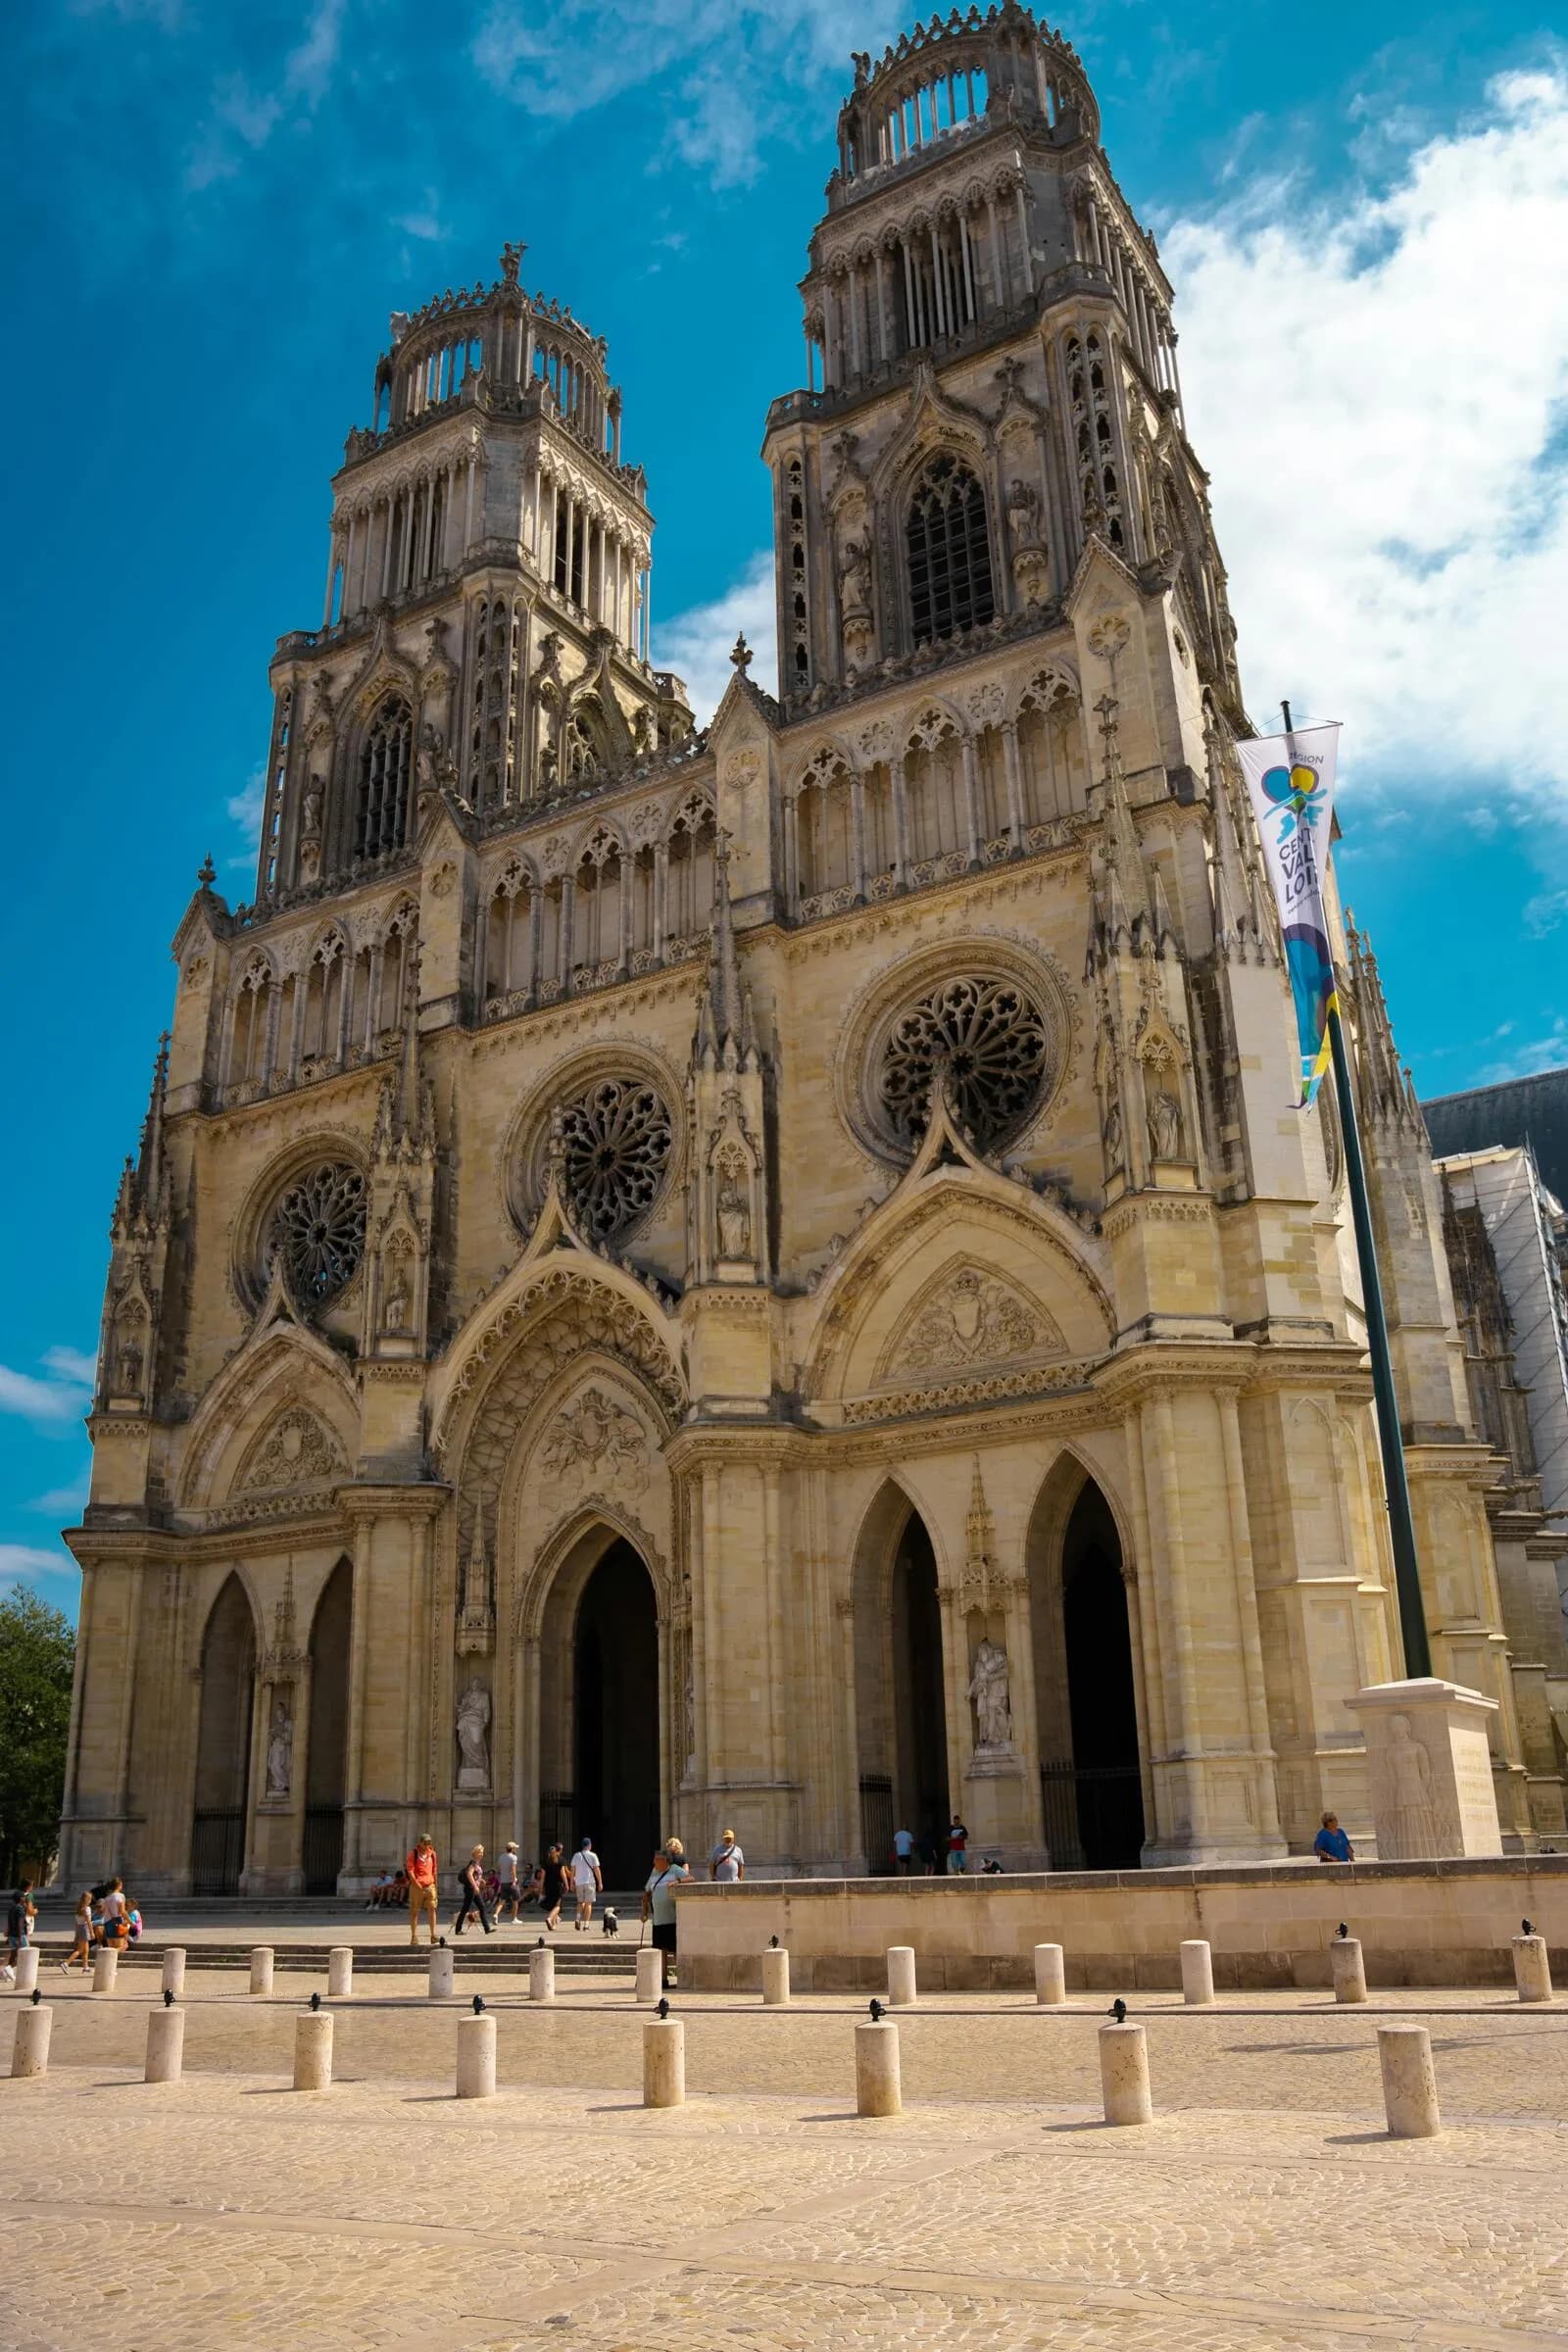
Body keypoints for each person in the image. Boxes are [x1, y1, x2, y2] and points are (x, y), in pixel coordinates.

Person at [642, 1843, 691, 1988]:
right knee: (660, 1950)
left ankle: (681, 1979)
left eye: (656, 1859)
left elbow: (691, 1878)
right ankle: (663, 1980)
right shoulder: (654, 1872)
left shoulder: (675, 1869)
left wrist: (677, 1881)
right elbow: (646, 1893)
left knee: (675, 1950)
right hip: (658, 1920)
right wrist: (643, 1912)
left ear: (665, 1861)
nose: (654, 1862)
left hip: (672, 1918)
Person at [453, 1844, 494, 1936]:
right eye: (479, 1852)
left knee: (482, 1907)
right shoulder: (473, 1862)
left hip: (473, 1889)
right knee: (465, 1909)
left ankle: (487, 1928)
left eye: (482, 1852)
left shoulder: (477, 1863)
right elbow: (469, 1874)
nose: (481, 1854)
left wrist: (481, 1880)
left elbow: (476, 1876)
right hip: (470, 1889)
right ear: (475, 1853)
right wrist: (475, 1886)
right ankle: (458, 1930)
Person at [406, 1835, 440, 1945]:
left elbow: (434, 1870)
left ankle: (433, 1935)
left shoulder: (432, 1854)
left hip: (430, 1885)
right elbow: (410, 1869)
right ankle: (414, 1936)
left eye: (429, 1843)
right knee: (415, 1911)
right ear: (420, 1843)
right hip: (417, 1886)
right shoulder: (414, 1853)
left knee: (432, 1909)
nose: (427, 1846)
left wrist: (435, 1885)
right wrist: (416, 1883)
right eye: (425, 1843)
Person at [534, 1843, 569, 1932]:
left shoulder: (545, 1862)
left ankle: (553, 1925)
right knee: (557, 1906)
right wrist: (566, 1884)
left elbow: (542, 1876)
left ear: (549, 1853)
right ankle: (549, 1919)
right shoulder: (560, 1860)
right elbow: (563, 1874)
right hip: (557, 1885)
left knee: (553, 1905)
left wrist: (542, 1887)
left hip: (548, 1885)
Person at [571, 1836, 603, 1929]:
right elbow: (597, 1870)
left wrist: (571, 1883)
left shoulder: (576, 1855)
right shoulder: (593, 1855)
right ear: (589, 1845)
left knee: (580, 1902)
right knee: (588, 1903)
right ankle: (586, 1924)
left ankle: (578, 1918)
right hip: (589, 1882)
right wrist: (600, 1882)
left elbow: (572, 1870)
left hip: (579, 1882)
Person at [5, 1880, 34, 1980]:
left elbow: (9, 1922)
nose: (25, 1898)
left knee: (13, 1954)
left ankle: (7, 1973)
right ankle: (8, 1968)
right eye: (23, 1897)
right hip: (19, 1934)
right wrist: (21, 1936)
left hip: (12, 1935)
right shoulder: (20, 1909)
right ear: (21, 1899)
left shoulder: (11, 1908)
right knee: (26, 1954)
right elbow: (20, 1923)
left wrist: (8, 1934)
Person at [61, 1890, 93, 1975]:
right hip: (85, 1928)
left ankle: (86, 1967)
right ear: (88, 1900)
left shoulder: (78, 1908)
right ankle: (66, 1963)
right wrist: (92, 1932)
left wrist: (76, 1935)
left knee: (86, 1949)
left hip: (79, 1928)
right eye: (90, 1899)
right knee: (80, 1950)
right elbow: (89, 1921)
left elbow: (76, 1923)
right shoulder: (87, 1908)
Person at [494, 1840, 524, 1923]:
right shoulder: (513, 1857)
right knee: (515, 1900)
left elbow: (499, 1870)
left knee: (502, 1900)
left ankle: (496, 1914)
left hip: (503, 1882)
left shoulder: (501, 1857)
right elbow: (513, 1870)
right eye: (515, 1848)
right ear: (513, 1849)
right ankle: (514, 1918)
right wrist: (514, 1880)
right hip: (511, 1882)